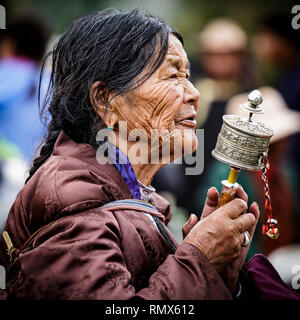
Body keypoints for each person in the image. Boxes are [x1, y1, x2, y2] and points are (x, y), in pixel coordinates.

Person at [0, 9, 298, 300]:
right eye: (172, 76)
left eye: (188, 75)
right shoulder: (74, 208)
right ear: (106, 100)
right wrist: (200, 258)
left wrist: (220, 271)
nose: (193, 92)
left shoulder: (136, 199)